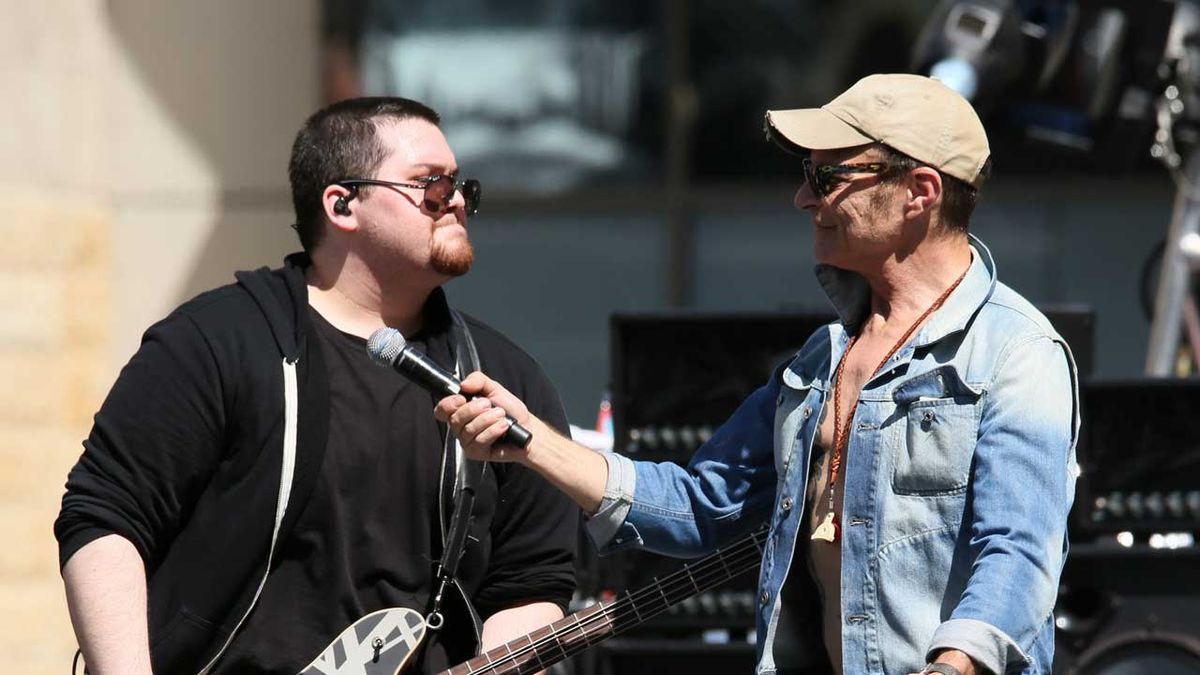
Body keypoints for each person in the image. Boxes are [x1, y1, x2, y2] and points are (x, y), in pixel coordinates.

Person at [437, 73, 1079, 675]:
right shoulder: (820, 361)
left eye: (827, 177)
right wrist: (532, 441)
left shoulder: (1016, 354)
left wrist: (956, 664)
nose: (803, 198)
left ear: (920, 193)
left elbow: (1018, 555)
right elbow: (699, 506)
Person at [55, 97, 578, 674]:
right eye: (429, 184)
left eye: (460, 186)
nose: (454, 199)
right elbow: (105, 517)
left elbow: (532, 578)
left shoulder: (508, 381)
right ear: (343, 204)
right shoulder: (214, 342)